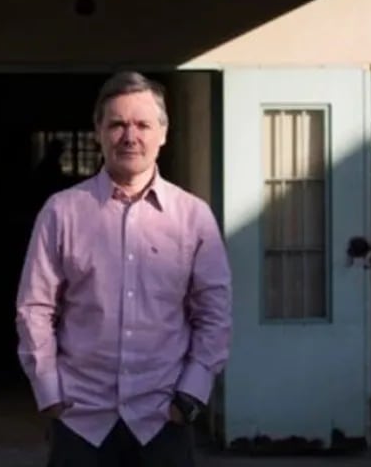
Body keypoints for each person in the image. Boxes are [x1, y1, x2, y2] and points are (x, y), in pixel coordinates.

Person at [15, 71, 232, 467]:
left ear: (163, 134)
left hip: (163, 418)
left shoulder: (193, 216)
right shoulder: (61, 212)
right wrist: (48, 390)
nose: (130, 136)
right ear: (99, 131)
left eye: (142, 124)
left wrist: (192, 394)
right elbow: (35, 307)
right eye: (117, 124)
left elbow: (214, 315)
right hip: (81, 419)